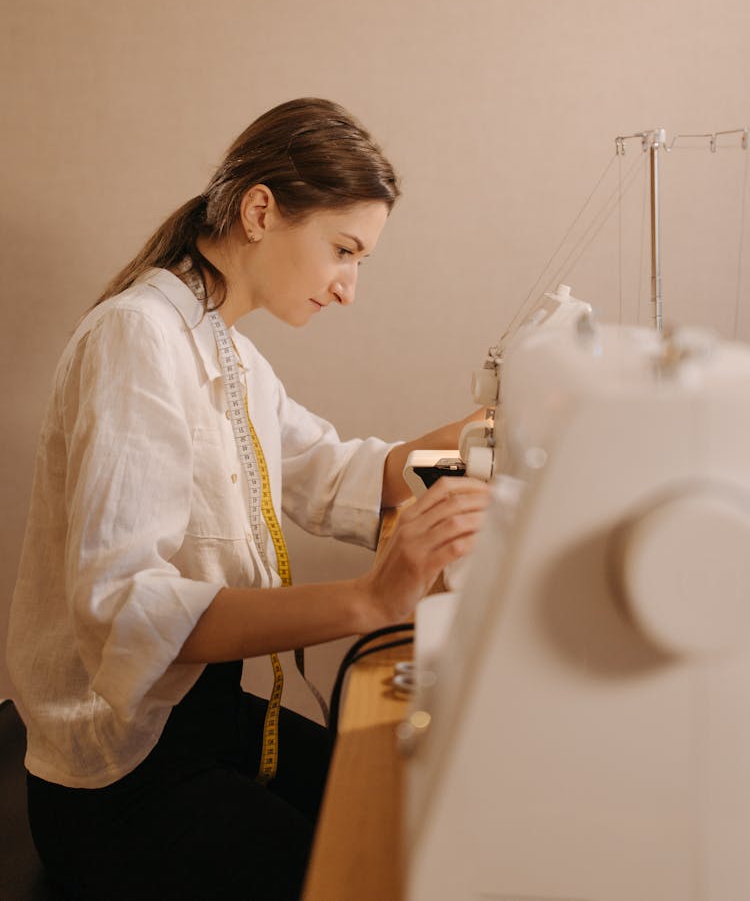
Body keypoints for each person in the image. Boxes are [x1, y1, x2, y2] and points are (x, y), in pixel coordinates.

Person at [7, 97, 490, 901]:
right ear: (261, 210)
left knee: (400, 797)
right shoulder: (138, 336)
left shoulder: (227, 351)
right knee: (361, 865)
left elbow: (335, 468)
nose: (349, 288)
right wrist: (370, 598)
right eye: (344, 250)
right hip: (121, 780)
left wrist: (492, 426)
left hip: (206, 723)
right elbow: (125, 605)